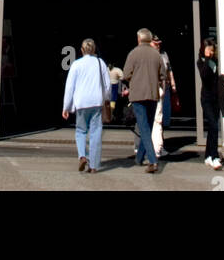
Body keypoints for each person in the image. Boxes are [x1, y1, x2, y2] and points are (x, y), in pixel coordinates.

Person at [62, 39, 112, 173]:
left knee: (80, 131)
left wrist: (66, 107)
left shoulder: (76, 64)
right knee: (96, 132)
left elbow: (69, 87)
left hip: (81, 103)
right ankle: (94, 165)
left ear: (82, 50)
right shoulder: (100, 63)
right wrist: (107, 99)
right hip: (96, 102)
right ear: (94, 49)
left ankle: (82, 155)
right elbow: (107, 85)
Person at [122, 28, 165, 173]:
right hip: (153, 94)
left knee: (144, 127)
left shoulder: (133, 53)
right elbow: (162, 74)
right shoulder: (156, 54)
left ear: (139, 39)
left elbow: (126, 74)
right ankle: (139, 158)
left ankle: (152, 161)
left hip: (138, 95)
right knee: (148, 126)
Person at [198, 37, 224, 169]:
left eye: (212, 50)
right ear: (203, 49)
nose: (211, 52)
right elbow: (204, 76)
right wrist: (207, 59)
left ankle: (208, 156)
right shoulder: (201, 61)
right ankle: (214, 156)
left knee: (213, 127)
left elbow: (215, 77)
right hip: (206, 99)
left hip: (216, 98)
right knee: (213, 126)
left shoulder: (215, 61)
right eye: (208, 50)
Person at [151, 34, 176, 158]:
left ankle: (160, 145)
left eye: (159, 43)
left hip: (164, 87)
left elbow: (169, 70)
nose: (158, 45)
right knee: (156, 118)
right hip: (154, 88)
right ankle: (155, 147)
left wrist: (173, 84)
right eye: (156, 43)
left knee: (162, 118)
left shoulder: (164, 54)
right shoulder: (150, 55)